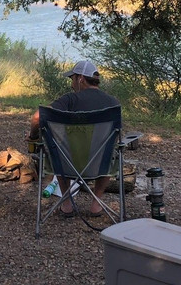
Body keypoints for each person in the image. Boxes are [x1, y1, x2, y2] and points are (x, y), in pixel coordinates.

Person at [28, 60, 120, 215]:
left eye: (72, 79)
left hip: (68, 163)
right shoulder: (113, 104)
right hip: (100, 164)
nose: (71, 85)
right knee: (111, 151)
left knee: (57, 150)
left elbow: (37, 118)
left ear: (80, 79)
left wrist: (33, 136)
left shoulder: (69, 99)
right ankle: (96, 204)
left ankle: (67, 203)